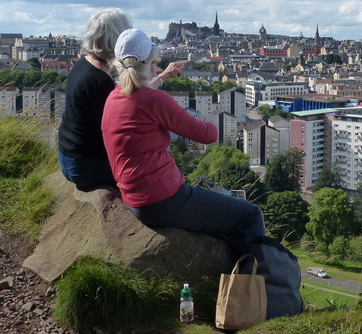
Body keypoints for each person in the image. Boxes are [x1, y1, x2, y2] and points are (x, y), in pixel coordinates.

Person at [101, 28, 266, 259]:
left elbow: (142, 94)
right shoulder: (155, 100)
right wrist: (210, 117)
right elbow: (208, 135)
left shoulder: (114, 97)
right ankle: (253, 285)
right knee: (250, 215)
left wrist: (163, 77)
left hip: (135, 196)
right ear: (153, 61)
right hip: (162, 199)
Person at [58, 10, 185, 191]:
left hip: (70, 158)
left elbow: (133, 97)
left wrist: (163, 76)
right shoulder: (100, 82)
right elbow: (133, 110)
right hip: (86, 166)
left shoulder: (84, 65)